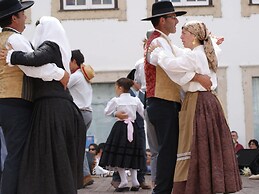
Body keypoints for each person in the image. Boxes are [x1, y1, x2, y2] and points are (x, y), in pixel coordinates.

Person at [150, 20, 242, 194]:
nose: (181, 36)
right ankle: (210, 184)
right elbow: (186, 53)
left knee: (193, 143)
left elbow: (173, 66)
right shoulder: (206, 51)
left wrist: (159, 54)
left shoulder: (194, 55)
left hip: (198, 102)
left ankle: (198, 187)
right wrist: (214, 40)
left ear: (193, 36)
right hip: (210, 102)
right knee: (207, 145)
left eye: (184, 33)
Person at [1, 16, 86, 194]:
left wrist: (13, 56)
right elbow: (34, 66)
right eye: (23, 14)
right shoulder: (16, 39)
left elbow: (36, 60)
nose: (26, 19)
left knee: (46, 156)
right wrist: (60, 73)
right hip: (32, 105)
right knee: (32, 156)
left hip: (51, 106)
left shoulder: (50, 45)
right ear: (14, 18)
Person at [141, 1, 213, 193]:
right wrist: (198, 77)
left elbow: (184, 57)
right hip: (162, 102)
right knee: (168, 152)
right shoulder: (157, 42)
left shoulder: (164, 41)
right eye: (173, 17)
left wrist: (210, 42)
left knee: (170, 151)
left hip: (165, 102)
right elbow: (173, 65)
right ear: (162, 20)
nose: (176, 21)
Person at [99, 78, 146, 192]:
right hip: (133, 127)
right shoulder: (135, 100)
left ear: (120, 87)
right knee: (132, 153)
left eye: (116, 87)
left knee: (120, 153)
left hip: (120, 128)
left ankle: (124, 180)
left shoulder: (116, 100)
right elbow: (143, 113)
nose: (116, 89)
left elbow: (106, 112)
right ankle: (135, 181)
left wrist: (116, 113)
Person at [111, 69, 151, 190]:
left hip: (139, 127)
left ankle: (140, 179)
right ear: (133, 82)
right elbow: (112, 110)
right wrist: (116, 114)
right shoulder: (127, 95)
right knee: (121, 151)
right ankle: (118, 178)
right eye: (140, 81)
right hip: (127, 126)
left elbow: (144, 112)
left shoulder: (143, 94)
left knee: (139, 153)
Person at [67, 49, 94, 188]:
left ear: (74, 61)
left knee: (76, 145)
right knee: (79, 144)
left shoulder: (76, 76)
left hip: (79, 114)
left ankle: (84, 174)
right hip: (87, 113)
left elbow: (63, 84)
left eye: (68, 61)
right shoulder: (84, 75)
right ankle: (83, 174)